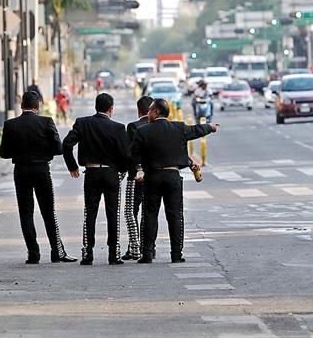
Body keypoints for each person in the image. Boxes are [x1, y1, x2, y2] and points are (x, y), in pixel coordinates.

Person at [131, 98, 218, 264]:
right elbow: (196, 130)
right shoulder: (178, 128)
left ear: (156, 112)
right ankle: (176, 254)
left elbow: (134, 154)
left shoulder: (143, 132)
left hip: (153, 177)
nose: (148, 114)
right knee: (175, 215)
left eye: (150, 111)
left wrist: (139, 169)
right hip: (172, 177)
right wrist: (211, 127)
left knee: (150, 215)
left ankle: (147, 254)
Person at [0, 91, 76, 264]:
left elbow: (3, 153)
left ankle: (33, 253)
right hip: (41, 170)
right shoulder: (46, 122)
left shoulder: (10, 125)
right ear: (38, 106)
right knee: (48, 212)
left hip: (21, 171)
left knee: (26, 213)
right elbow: (58, 148)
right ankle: (58, 251)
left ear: (21, 106)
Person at [62, 93, 132, 265]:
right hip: (110, 174)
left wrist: (72, 166)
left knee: (90, 213)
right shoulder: (118, 128)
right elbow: (125, 154)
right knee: (112, 213)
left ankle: (87, 253)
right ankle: (113, 254)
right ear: (111, 109)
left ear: (96, 107)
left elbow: (66, 144)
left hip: (91, 172)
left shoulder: (83, 123)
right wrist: (122, 171)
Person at [122, 95, 153, 261]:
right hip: (155, 174)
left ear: (139, 110)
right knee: (149, 213)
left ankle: (134, 247)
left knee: (131, 211)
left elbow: (130, 153)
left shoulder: (133, 127)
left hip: (136, 176)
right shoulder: (158, 126)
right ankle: (149, 248)